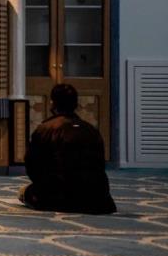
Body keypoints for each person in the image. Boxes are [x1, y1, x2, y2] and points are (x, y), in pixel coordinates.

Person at [20, 83, 116, 214]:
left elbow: (32, 166)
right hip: (97, 199)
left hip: (59, 197)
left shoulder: (44, 129)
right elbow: (99, 166)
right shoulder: (91, 130)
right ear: (76, 104)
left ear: (52, 103)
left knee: (24, 192)